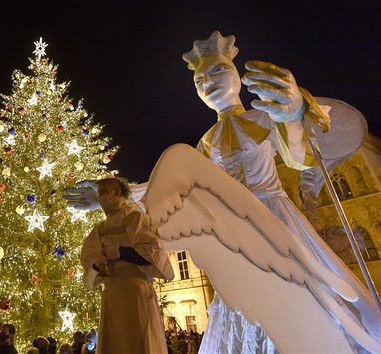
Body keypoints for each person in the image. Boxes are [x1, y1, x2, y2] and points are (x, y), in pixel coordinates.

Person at [181, 30, 381, 353]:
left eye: (217, 70)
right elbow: (188, 189)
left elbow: (298, 158)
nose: (207, 82)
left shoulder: (262, 116)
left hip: (273, 214)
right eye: (199, 80)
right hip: (236, 232)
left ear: (235, 75)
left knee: (298, 290)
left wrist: (298, 113)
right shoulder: (205, 143)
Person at [80, 177, 174, 354]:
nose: (99, 199)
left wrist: (120, 252)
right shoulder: (99, 229)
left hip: (135, 294)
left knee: (139, 340)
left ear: (115, 193)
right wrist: (96, 264)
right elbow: (90, 275)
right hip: (111, 297)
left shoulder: (137, 219)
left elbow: (154, 256)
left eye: (101, 193)